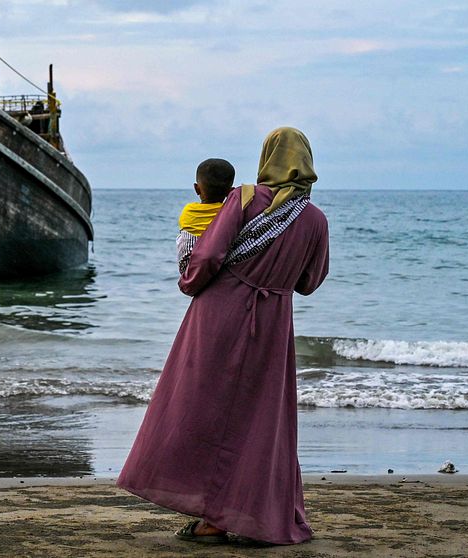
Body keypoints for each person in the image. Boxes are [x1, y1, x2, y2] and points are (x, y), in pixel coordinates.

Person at [118, 127, 329, 545]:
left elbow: (209, 254)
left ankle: (211, 517)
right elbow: (310, 281)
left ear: (267, 158)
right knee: (261, 420)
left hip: (219, 313)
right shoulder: (315, 219)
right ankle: (254, 517)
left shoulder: (245, 198)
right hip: (272, 324)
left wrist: (190, 282)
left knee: (198, 408)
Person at [176, 158, 235, 275]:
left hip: (190, 269)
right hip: (222, 267)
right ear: (230, 191)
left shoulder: (189, 211)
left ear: (196, 188)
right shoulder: (230, 212)